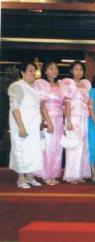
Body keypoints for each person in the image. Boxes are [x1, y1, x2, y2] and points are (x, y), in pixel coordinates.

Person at [8, 61, 43, 189]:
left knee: (32, 150)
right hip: (21, 123)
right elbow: (14, 108)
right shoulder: (17, 86)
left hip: (33, 125)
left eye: (34, 71)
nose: (33, 73)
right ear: (22, 72)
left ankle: (29, 176)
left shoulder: (34, 88)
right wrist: (21, 126)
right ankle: (21, 178)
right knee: (21, 149)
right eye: (30, 70)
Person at [60, 61, 91, 183]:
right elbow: (67, 103)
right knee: (73, 144)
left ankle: (81, 173)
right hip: (73, 117)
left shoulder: (85, 84)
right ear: (72, 71)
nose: (79, 72)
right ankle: (72, 175)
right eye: (76, 69)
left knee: (83, 145)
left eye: (81, 70)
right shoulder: (68, 83)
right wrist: (68, 120)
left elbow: (87, 102)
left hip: (84, 117)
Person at [33, 61, 64, 185]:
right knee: (48, 147)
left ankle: (54, 174)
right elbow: (41, 105)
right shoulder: (41, 84)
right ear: (45, 71)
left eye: (56, 68)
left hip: (60, 119)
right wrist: (48, 121)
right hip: (48, 118)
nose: (54, 71)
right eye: (51, 68)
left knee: (57, 148)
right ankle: (45, 175)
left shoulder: (61, 85)